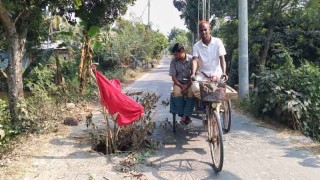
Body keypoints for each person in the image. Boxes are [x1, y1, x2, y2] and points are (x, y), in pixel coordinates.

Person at [191, 20, 228, 97]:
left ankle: (218, 107)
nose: (203, 32)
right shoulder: (196, 46)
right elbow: (194, 60)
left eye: (205, 30)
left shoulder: (218, 42)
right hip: (203, 74)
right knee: (195, 87)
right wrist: (193, 73)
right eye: (201, 30)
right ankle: (202, 106)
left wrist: (224, 73)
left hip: (217, 73)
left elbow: (222, 58)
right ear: (199, 32)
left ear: (209, 29)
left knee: (220, 92)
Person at [169, 43, 195, 125]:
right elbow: (173, 77)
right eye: (174, 55)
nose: (175, 56)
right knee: (176, 93)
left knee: (191, 93)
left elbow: (195, 75)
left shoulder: (192, 60)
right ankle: (185, 116)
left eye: (176, 54)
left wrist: (187, 86)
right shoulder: (173, 62)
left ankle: (184, 116)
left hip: (190, 83)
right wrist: (181, 86)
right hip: (178, 83)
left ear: (182, 51)